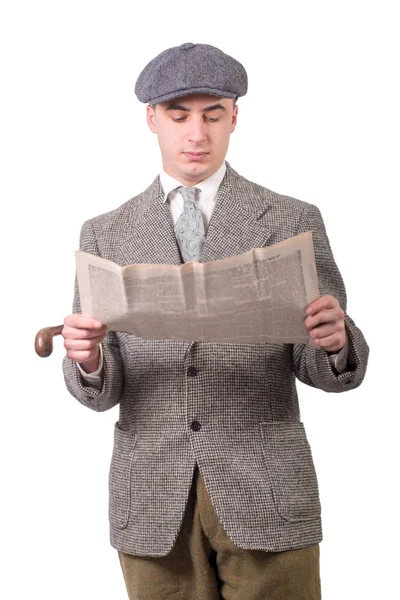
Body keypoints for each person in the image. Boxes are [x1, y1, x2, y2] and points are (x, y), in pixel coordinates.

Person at [62, 42, 369, 600]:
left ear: (235, 117)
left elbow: (327, 368)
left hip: (266, 489)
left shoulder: (291, 219)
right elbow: (100, 392)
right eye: (179, 117)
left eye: (213, 115)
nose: (196, 134)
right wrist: (86, 361)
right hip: (152, 496)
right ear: (151, 119)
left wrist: (334, 342)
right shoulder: (104, 232)